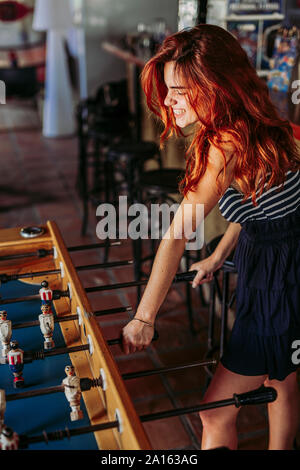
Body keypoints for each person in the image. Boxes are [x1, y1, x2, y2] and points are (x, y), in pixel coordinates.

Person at [121, 24, 300, 450]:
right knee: (283, 379)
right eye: (167, 90)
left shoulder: (224, 144)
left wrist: (144, 319)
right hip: (279, 260)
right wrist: (220, 255)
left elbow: (175, 237)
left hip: (280, 278)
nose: (167, 102)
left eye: (179, 91)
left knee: (215, 412)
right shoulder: (256, 118)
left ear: (214, 86)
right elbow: (265, 207)